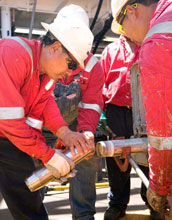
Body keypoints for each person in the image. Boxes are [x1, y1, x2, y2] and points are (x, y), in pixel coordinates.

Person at [0, 4, 96, 220]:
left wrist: (66, 134)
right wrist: (48, 155)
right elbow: (9, 120)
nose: (70, 74)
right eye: (71, 64)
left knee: (28, 202)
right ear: (55, 47)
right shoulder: (13, 53)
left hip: (7, 139)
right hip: (7, 132)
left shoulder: (44, 74)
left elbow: (44, 103)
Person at [111, 0, 172, 217]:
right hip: (118, 114)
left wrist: (159, 186)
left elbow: (164, 138)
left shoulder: (157, 42)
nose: (126, 34)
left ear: (131, 11)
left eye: (121, 26)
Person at [43, 8, 104, 220]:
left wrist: (85, 132)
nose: (70, 70)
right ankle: (30, 213)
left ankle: (84, 215)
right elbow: (39, 101)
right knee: (30, 169)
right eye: (69, 64)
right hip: (40, 126)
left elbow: (92, 103)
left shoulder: (93, 66)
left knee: (85, 156)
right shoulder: (43, 58)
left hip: (74, 126)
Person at [100, 34, 164, 220]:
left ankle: (153, 202)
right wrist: (102, 114)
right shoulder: (110, 50)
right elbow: (101, 83)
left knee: (148, 157)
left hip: (146, 109)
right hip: (116, 111)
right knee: (116, 159)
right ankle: (117, 204)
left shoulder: (152, 47)